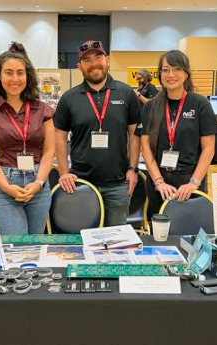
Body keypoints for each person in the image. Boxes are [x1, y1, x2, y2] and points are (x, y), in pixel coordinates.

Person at [54, 40, 141, 227]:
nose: (94, 63)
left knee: (116, 242)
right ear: (79, 66)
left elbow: (135, 135)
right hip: (80, 184)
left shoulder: (126, 93)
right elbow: (59, 138)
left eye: (98, 57)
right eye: (87, 60)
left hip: (117, 184)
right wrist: (63, 173)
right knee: (82, 239)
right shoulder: (69, 98)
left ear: (107, 60)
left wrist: (133, 169)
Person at [0, 42, 55, 234]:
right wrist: (6, 187)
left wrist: (38, 183)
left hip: (38, 186)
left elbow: (49, 151)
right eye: (9, 72)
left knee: (35, 246)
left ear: (27, 76)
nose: (15, 78)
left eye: (20, 72)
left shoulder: (43, 110)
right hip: (4, 186)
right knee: (17, 247)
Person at [138, 50, 217, 215]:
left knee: (190, 234)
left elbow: (208, 149)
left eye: (177, 69)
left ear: (186, 73)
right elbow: (145, 147)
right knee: (160, 235)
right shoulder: (151, 106)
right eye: (165, 69)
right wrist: (158, 182)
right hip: (159, 183)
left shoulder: (200, 104)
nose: (171, 74)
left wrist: (193, 183)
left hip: (190, 182)